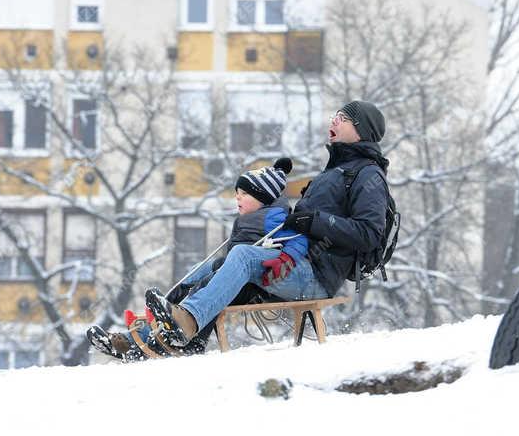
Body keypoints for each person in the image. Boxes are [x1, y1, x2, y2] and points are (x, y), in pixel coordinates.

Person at [146, 100, 390, 347]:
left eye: (344, 117)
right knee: (216, 264)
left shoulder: (368, 174)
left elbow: (368, 233)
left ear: (361, 130)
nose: (334, 120)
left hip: (316, 277)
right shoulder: (333, 172)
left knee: (243, 256)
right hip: (294, 264)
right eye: (335, 115)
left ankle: (187, 322)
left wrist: (314, 220)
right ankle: (147, 339)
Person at [86, 157, 305, 360]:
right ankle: (146, 333)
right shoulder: (249, 219)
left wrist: (286, 258)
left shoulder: (275, 219)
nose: (237, 197)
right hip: (240, 277)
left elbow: (298, 240)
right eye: (237, 192)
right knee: (193, 278)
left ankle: (181, 337)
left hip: (259, 284)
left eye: (245, 194)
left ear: (263, 198)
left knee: (205, 283)